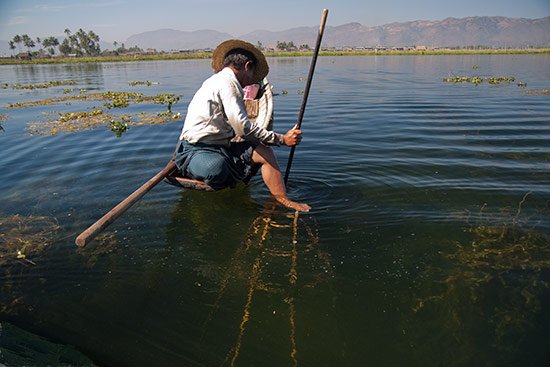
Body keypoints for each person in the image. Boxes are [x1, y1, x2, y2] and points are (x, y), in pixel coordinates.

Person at [174, 39, 310, 212]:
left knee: (265, 152)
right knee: (216, 169)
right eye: (253, 75)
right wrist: (282, 139)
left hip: (221, 145)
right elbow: (242, 128)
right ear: (247, 66)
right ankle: (193, 168)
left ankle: (281, 199)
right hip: (195, 149)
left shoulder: (220, 80)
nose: (251, 81)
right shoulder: (228, 83)